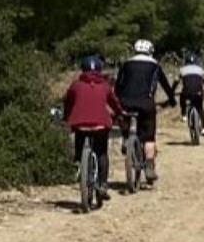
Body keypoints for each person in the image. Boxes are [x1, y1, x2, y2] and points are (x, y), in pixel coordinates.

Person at [114, 38, 175, 182]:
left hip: (125, 103)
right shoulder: (155, 65)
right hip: (145, 103)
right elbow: (165, 85)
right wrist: (171, 100)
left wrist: (117, 100)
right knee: (148, 137)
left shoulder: (126, 64)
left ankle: (125, 139)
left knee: (125, 120)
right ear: (150, 51)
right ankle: (149, 167)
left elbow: (118, 85)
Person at [62, 54, 122, 199]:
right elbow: (114, 103)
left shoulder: (76, 85)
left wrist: (66, 117)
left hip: (80, 125)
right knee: (101, 153)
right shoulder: (105, 86)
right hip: (101, 125)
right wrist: (119, 113)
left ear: (83, 70)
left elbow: (67, 102)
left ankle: (79, 162)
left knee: (79, 144)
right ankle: (102, 184)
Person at [179, 50, 204, 137]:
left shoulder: (182, 69)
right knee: (200, 107)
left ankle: (184, 114)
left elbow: (175, 81)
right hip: (198, 92)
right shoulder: (200, 70)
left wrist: (172, 91)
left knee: (182, 97)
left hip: (187, 92)